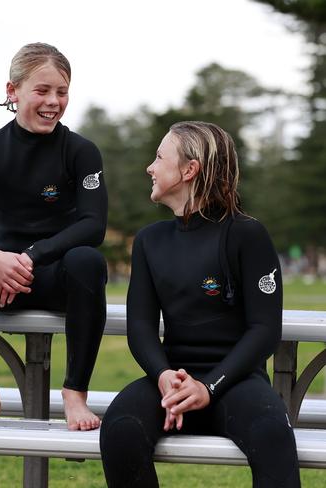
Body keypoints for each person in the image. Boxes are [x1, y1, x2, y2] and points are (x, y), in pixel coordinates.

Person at [100, 121, 300, 487]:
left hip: (236, 381)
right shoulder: (150, 240)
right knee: (120, 430)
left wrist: (208, 387)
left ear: (189, 170)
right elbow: (141, 327)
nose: (150, 167)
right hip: (171, 381)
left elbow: (264, 330)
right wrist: (164, 377)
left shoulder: (246, 234)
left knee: (272, 434)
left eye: (159, 157)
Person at [0, 42, 108, 431]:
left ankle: (74, 394)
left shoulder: (81, 151)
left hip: (55, 277)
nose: (54, 101)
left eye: (62, 92)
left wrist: (28, 258)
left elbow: (92, 225)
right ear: (12, 91)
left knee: (88, 260)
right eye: (43, 90)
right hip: (1, 277)